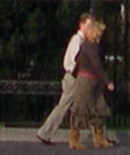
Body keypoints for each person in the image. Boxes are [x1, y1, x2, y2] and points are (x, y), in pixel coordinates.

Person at [35, 13, 93, 145]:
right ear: (81, 24)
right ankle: (45, 132)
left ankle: (99, 133)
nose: (90, 28)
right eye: (88, 25)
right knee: (68, 105)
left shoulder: (82, 41)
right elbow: (76, 61)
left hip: (75, 77)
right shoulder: (77, 41)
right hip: (73, 78)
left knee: (87, 104)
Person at [65, 17, 115, 150]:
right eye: (100, 33)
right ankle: (74, 140)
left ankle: (99, 139)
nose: (102, 35)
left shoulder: (88, 46)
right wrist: (108, 81)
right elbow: (97, 66)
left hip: (93, 82)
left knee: (99, 108)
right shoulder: (91, 47)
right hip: (87, 82)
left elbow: (78, 59)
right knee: (80, 109)